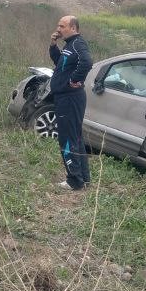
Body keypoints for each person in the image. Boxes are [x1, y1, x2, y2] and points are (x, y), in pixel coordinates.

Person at [49, 15, 93, 190]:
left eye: (62, 26)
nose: (58, 29)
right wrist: (53, 45)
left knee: (67, 139)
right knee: (76, 138)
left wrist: (75, 80)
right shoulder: (69, 46)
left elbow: (87, 62)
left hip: (70, 98)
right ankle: (83, 178)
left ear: (73, 28)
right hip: (66, 98)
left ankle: (74, 180)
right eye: (58, 25)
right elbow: (59, 63)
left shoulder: (78, 43)